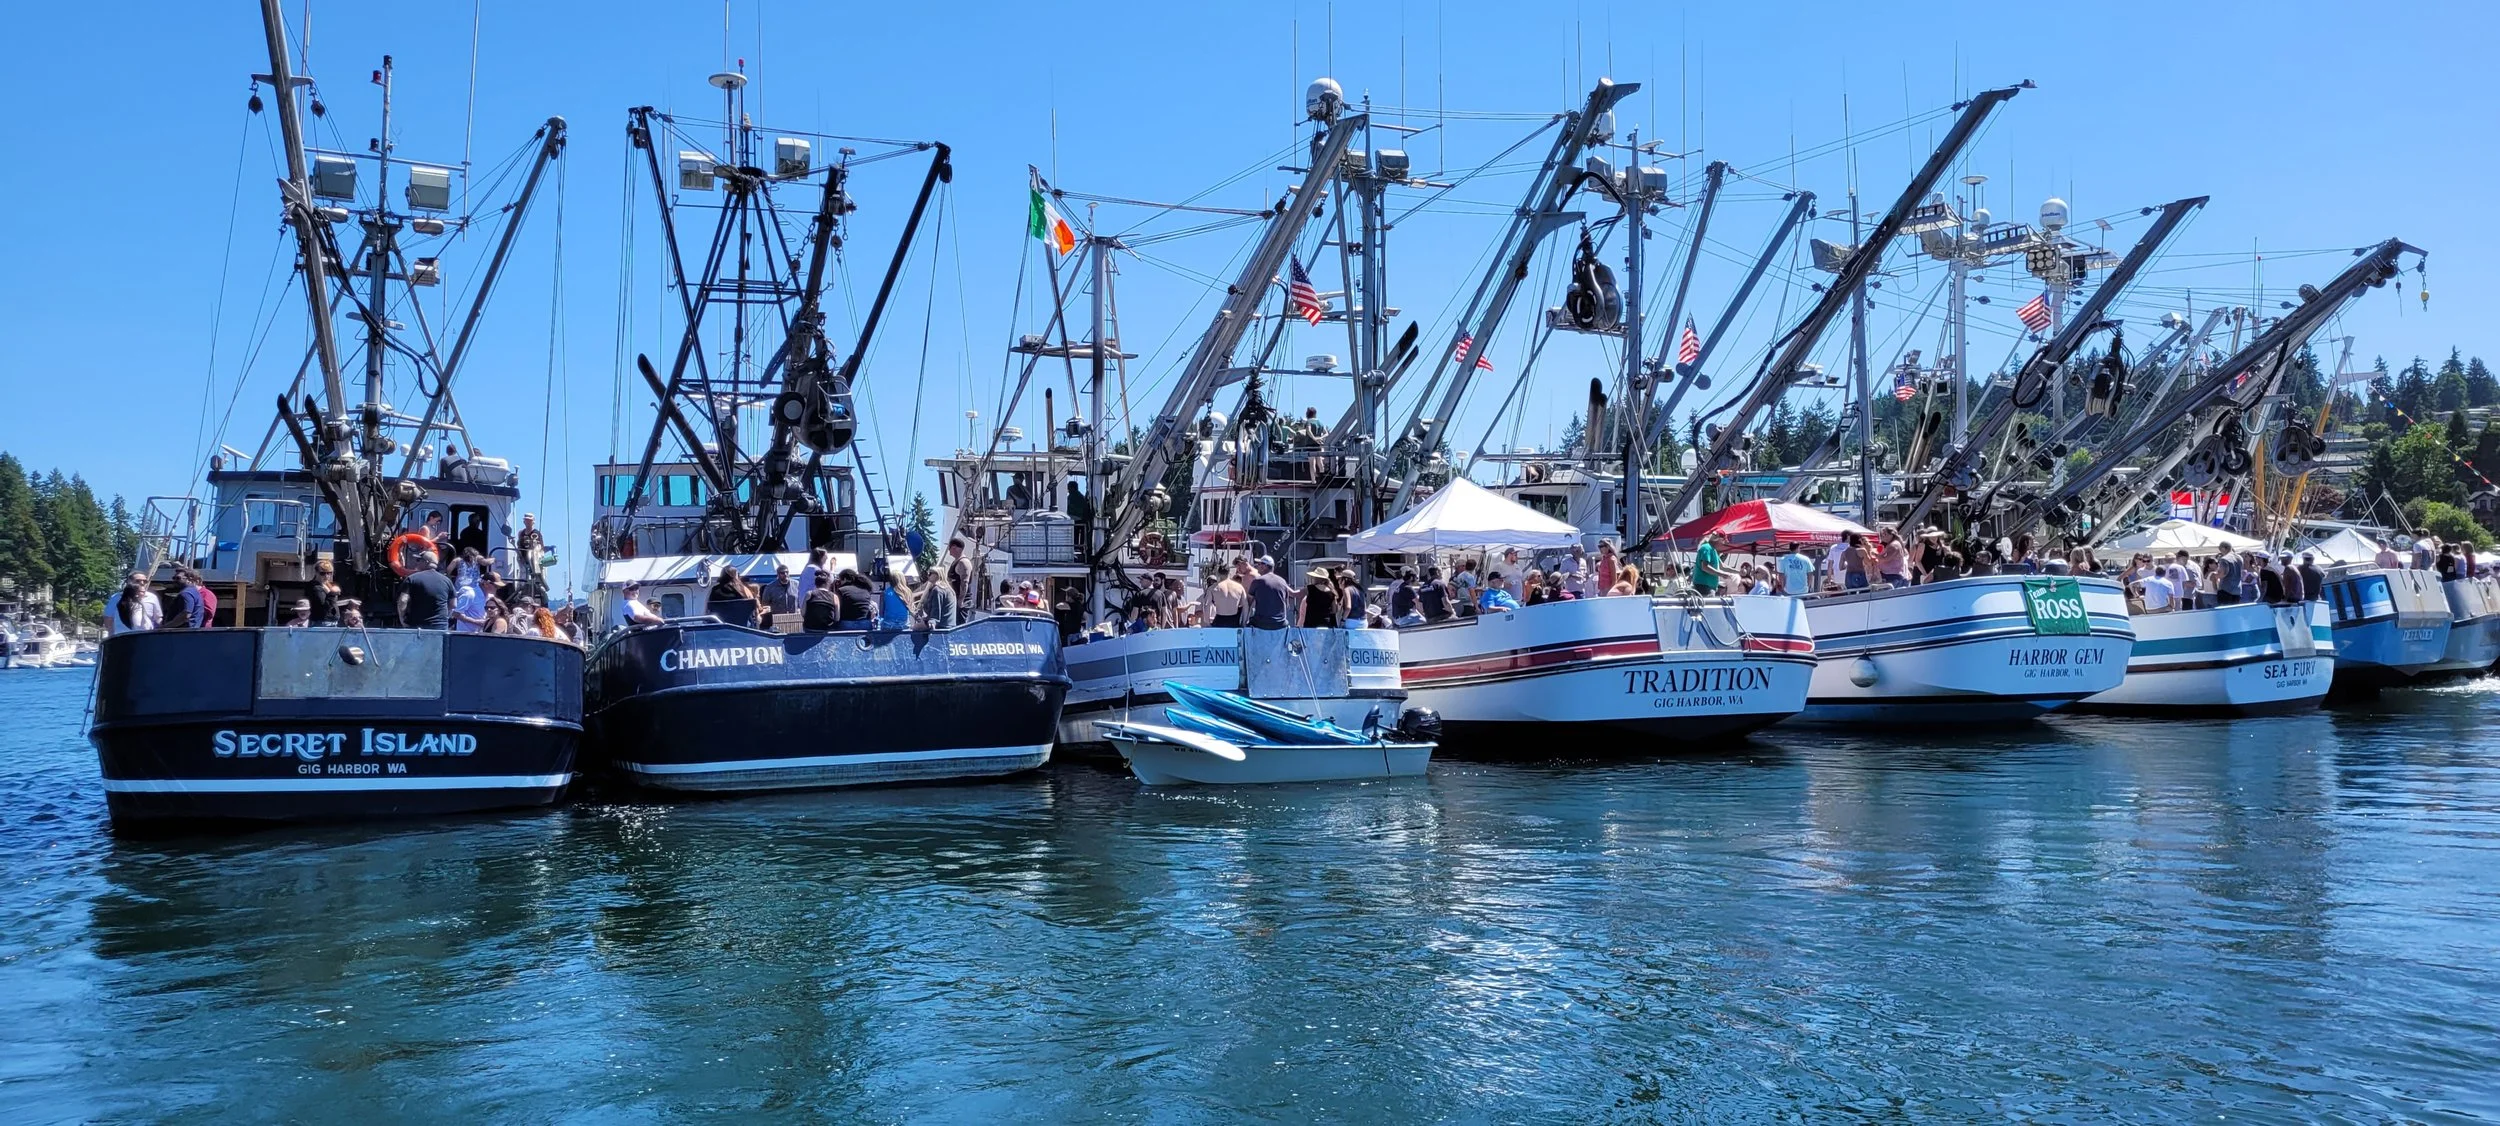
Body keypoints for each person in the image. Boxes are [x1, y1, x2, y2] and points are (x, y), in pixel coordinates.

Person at [399, 550, 456, 630]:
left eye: (419, 560)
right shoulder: (447, 581)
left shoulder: (412, 579)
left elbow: (403, 600)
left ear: (426, 562)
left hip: (417, 627)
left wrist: (402, 619)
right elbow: (453, 604)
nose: (416, 563)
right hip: (440, 627)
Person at [1247, 556, 1294, 630]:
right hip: (1280, 624)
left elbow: (1248, 603)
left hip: (1261, 623)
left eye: (1259, 564)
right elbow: (1287, 605)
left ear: (1264, 566)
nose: (1257, 566)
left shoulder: (1257, 581)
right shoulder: (1282, 581)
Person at [1692, 530, 1731, 595]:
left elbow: (1722, 566)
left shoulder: (1713, 550)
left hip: (1708, 586)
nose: (1723, 544)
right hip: (1704, 586)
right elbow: (1704, 567)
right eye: (1723, 541)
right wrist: (1721, 574)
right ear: (1718, 540)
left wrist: (1738, 572)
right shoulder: (1707, 548)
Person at [514, 514, 545, 588]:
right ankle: (522, 588)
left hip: (535, 559)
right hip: (523, 559)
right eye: (526, 520)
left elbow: (540, 547)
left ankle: (539, 586)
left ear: (533, 522)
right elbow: (519, 545)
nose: (528, 522)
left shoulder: (537, 533)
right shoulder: (521, 533)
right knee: (523, 575)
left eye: (530, 520)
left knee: (537, 575)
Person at [307, 559, 341, 624]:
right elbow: (324, 606)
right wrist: (333, 593)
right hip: (322, 622)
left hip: (331, 621)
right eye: (322, 573)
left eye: (329, 573)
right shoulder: (315, 587)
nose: (326, 576)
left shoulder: (327, 584)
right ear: (316, 572)